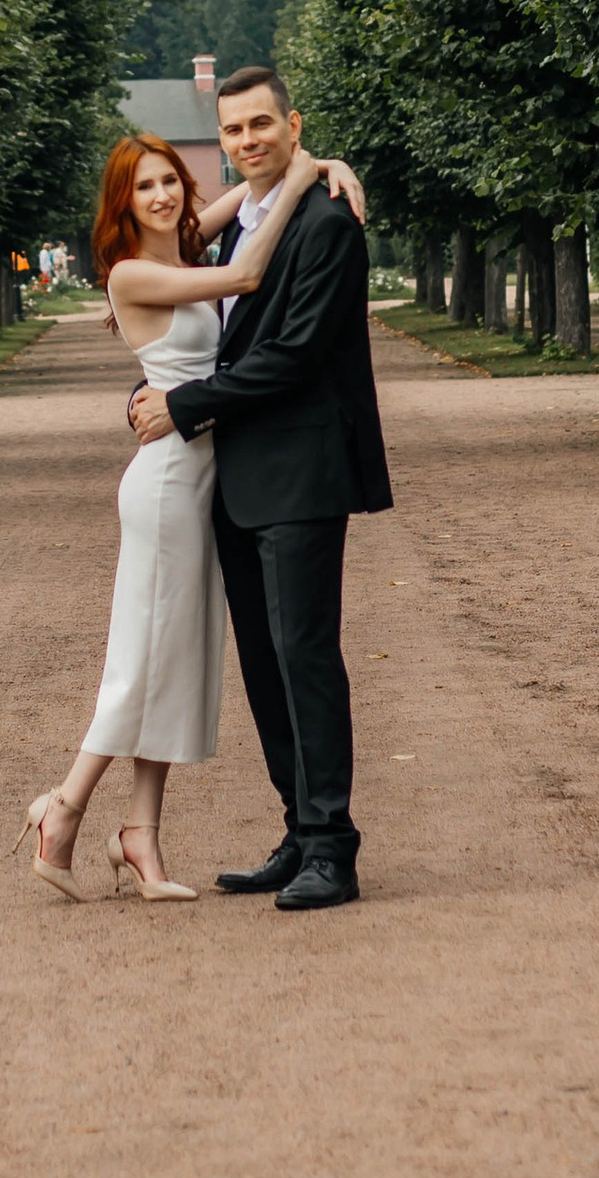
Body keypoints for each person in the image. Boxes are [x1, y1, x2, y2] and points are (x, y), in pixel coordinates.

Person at [19, 130, 357, 903]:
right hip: (169, 482)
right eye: (144, 187)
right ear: (122, 203)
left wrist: (317, 166)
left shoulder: (181, 248)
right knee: (142, 659)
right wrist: (300, 177)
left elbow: (248, 197)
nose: (163, 195)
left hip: (205, 481)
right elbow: (247, 271)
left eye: (170, 180)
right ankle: (63, 809)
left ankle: (140, 833)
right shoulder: (134, 272)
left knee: (175, 660)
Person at [126, 65, 391, 911]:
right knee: (265, 664)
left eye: (261, 125)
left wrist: (183, 407)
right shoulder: (240, 224)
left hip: (302, 473)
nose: (247, 140)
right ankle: (299, 831)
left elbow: (294, 356)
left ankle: (333, 848)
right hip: (233, 478)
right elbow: (202, 342)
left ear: (293, 125)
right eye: (233, 129)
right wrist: (153, 395)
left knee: (304, 655)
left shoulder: (327, 223)